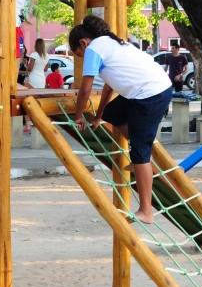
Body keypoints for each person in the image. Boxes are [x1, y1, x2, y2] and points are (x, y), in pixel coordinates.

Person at [70, 15, 172, 224]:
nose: (82, 58)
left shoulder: (93, 49)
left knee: (140, 152)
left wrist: (78, 115)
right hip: (150, 89)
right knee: (112, 112)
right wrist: (99, 116)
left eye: (78, 55)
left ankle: (146, 210)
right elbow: (109, 86)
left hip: (150, 95)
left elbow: (85, 89)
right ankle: (140, 156)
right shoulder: (112, 44)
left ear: (83, 43)